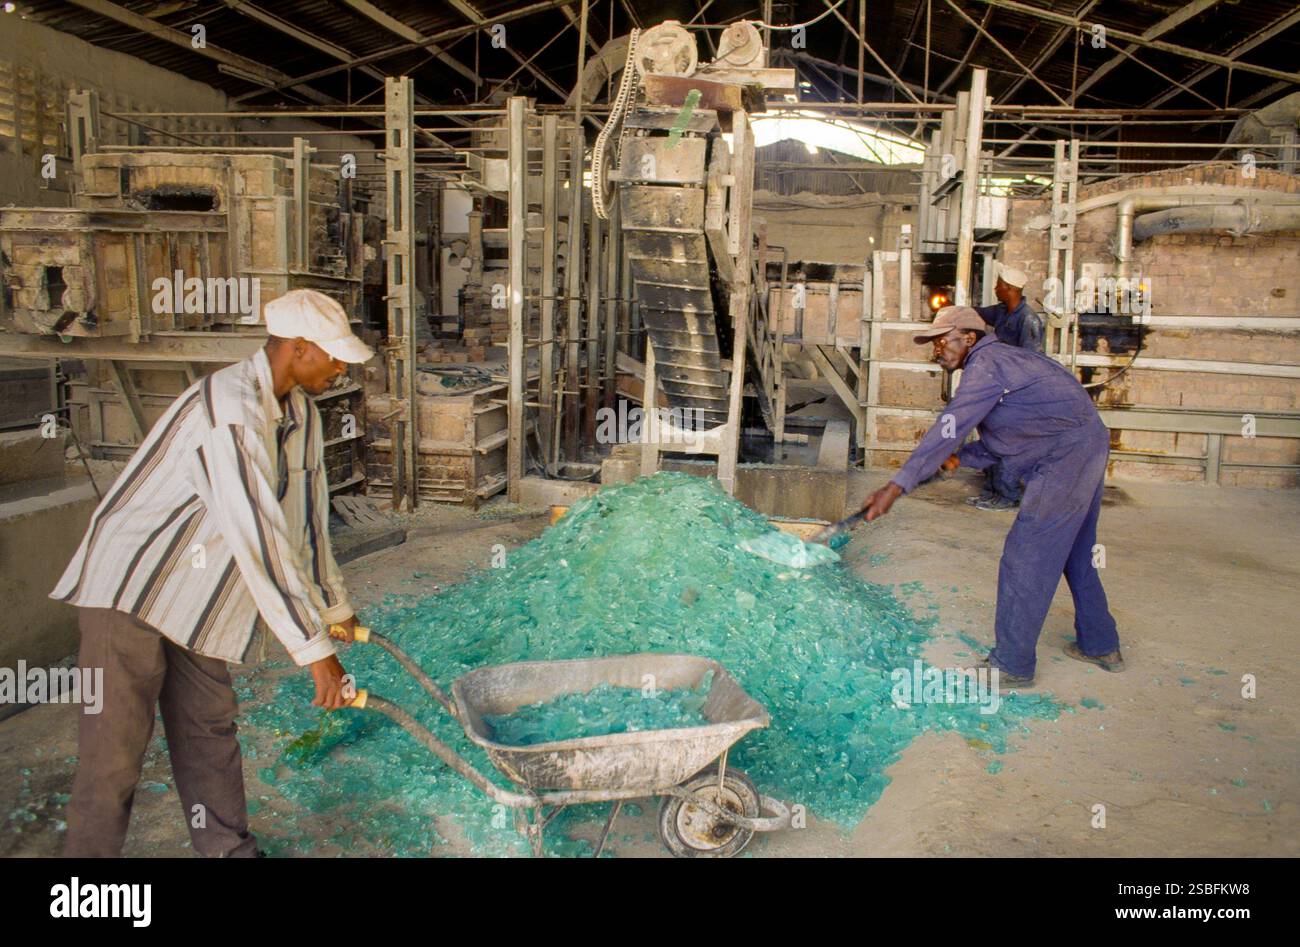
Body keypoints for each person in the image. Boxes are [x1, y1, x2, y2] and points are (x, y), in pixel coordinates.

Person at [51, 289, 374, 857]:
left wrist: (334, 608)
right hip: (133, 586)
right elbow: (260, 538)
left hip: (195, 594)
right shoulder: (231, 411)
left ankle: (228, 851)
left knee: (209, 726)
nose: (341, 368)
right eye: (334, 355)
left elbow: (306, 524)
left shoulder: (300, 414)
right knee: (114, 751)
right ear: (298, 347)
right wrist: (314, 651)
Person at [857, 306, 1123, 687]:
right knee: (1077, 551)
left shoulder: (986, 365)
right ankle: (1100, 644)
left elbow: (949, 426)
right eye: (934, 344)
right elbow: (1013, 436)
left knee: (1026, 554)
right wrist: (960, 458)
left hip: (1067, 457)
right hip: (1086, 444)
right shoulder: (1003, 362)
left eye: (941, 341)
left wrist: (895, 486)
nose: (936, 350)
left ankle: (1012, 664)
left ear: (969, 338)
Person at [969, 265, 1045, 511]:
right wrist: (950, 306)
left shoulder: (1028, 320)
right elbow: (978, 312)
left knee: (1008, 444)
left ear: (1011, 289)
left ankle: (1008, 496)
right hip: (998, 387)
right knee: (991, 440)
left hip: (1016, 392)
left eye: (999, 285)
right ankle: (991, 491)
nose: (995, 288)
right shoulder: (1002, 312)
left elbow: (1031, 363)